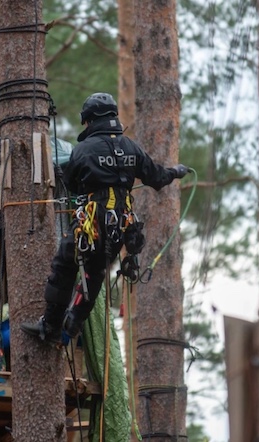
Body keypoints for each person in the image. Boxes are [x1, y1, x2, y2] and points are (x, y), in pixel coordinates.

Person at [20, 92, 190, 343]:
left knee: (65, 265)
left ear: (89, 120)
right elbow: (157, 177)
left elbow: (71, 185)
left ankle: (52, 326)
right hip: (121, 225)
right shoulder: (132, 147)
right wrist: (176, 171)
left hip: (93, 223)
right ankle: (74, 321)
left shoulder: (84, 149)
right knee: (95, 272)